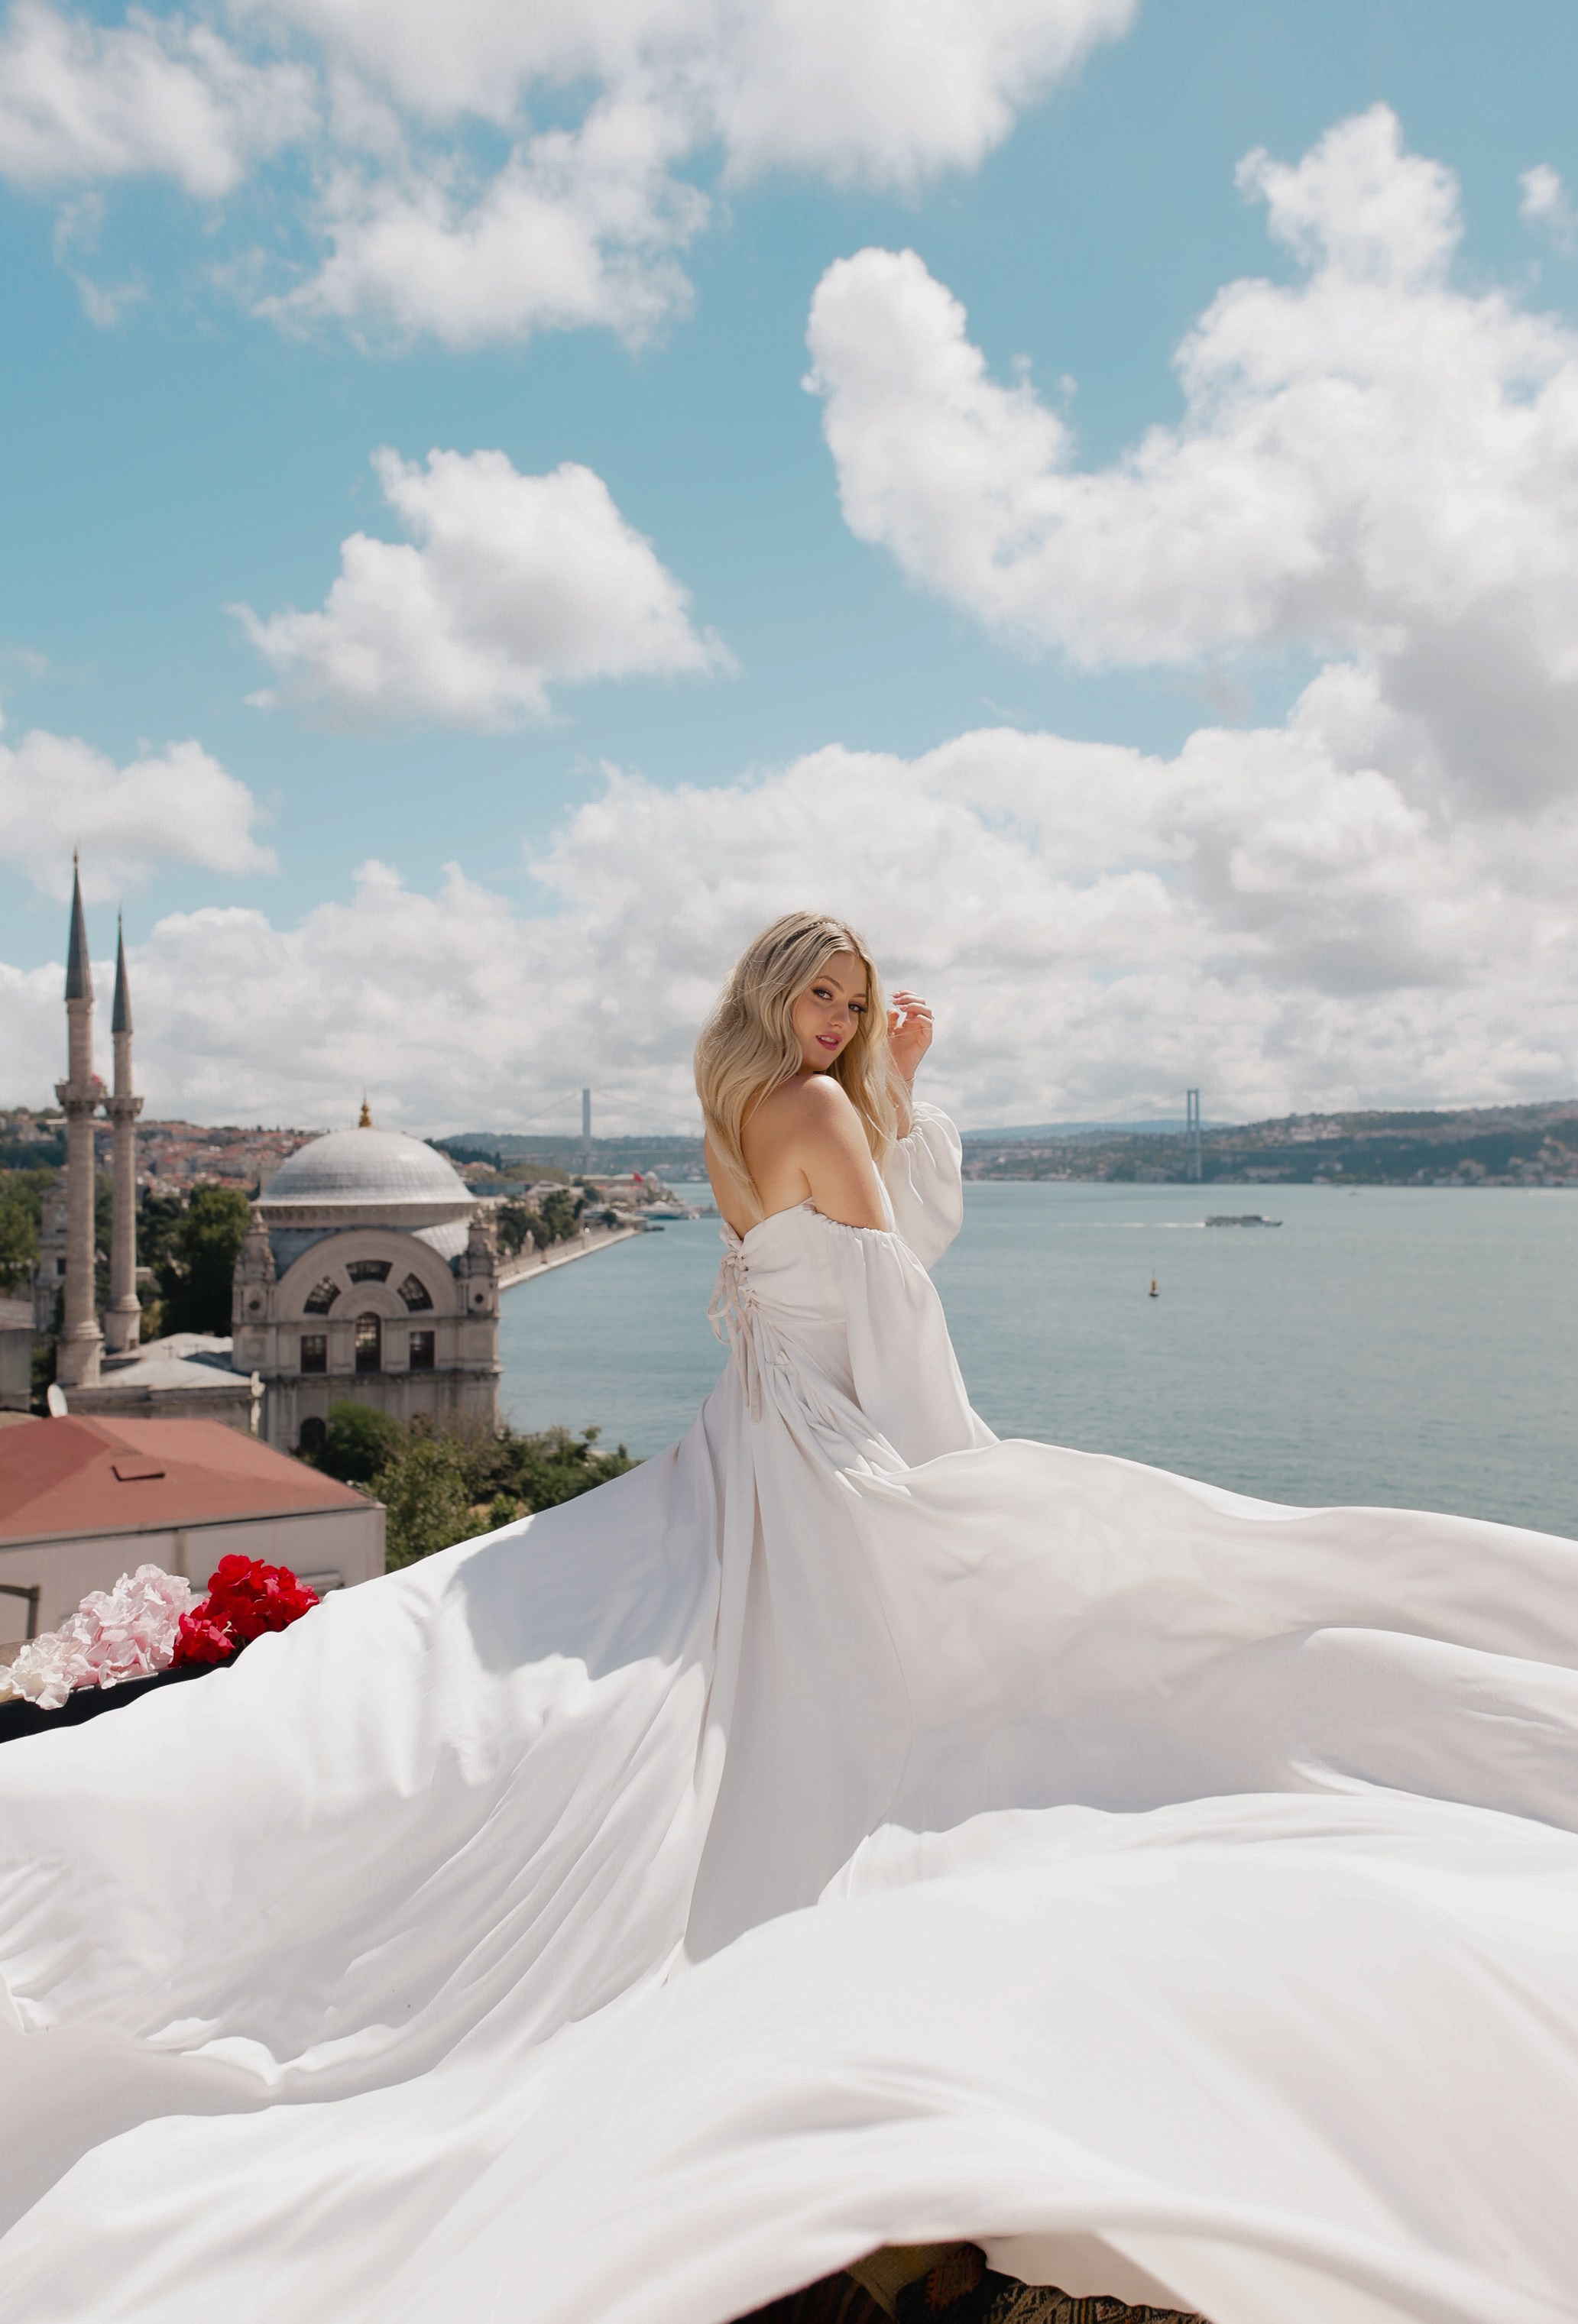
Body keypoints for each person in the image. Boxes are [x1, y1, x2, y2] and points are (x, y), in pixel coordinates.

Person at [1, 909, 1576, 2324]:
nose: (835, 1021)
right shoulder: (820, 1105)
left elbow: (812, 1267)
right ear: (781, 998)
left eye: (853, 1000)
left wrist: (879, 1100)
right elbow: (897, 1291)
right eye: (821, 996)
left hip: (748, 1429)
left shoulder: (728, 1116)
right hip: (824, 1440)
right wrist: (947, 1431)